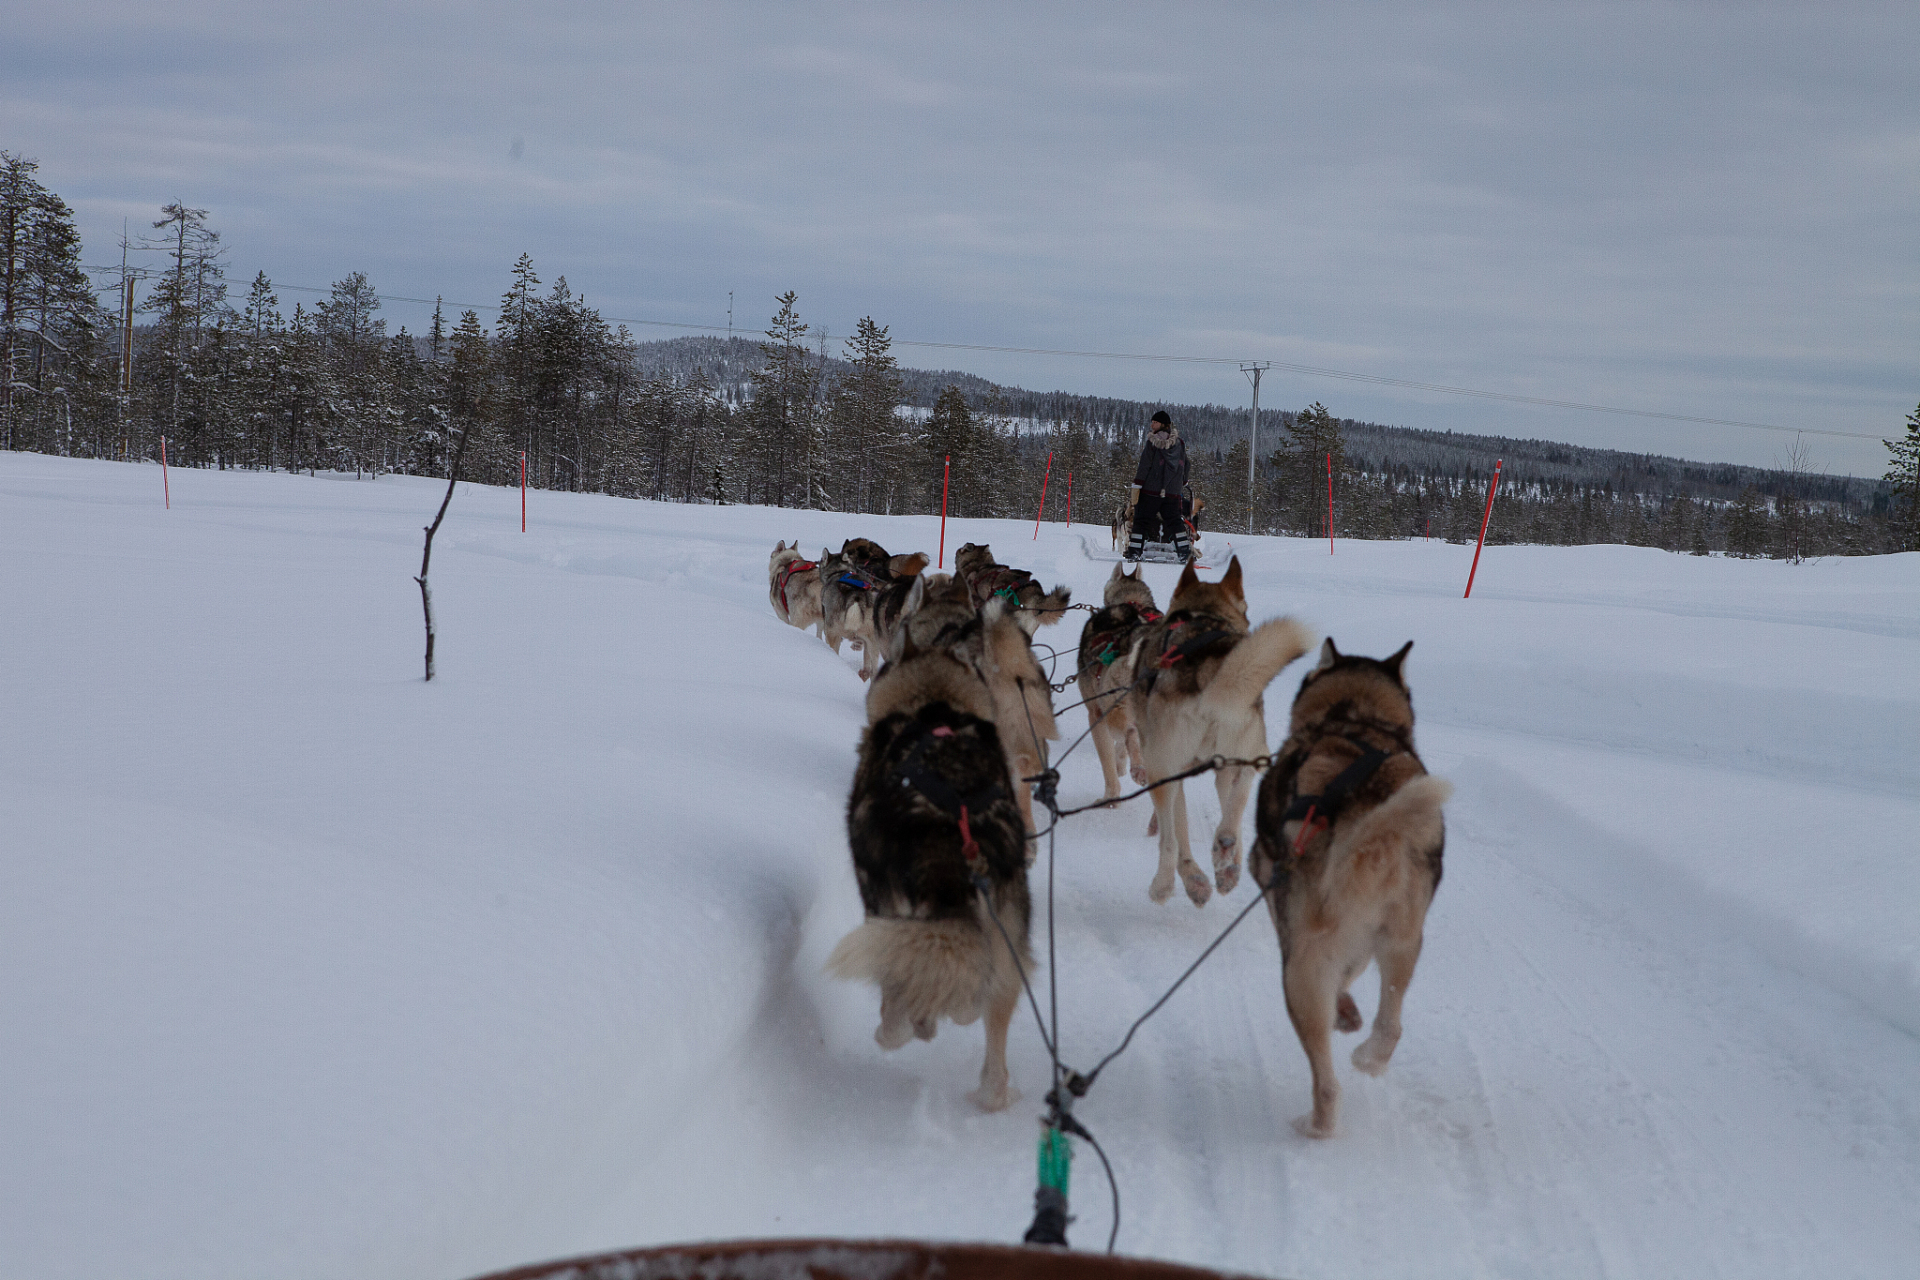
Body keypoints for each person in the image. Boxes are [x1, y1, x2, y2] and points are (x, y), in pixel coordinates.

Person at [1126, 410, 1191, 561]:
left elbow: (1145, 466)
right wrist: (1182, 481)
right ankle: (1184, 553)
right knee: (1175, 522)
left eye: (1154, 422)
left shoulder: (1152, 442)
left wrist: (1137, 484)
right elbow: (1186, 464)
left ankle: (1134, 552)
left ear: (1162, 425)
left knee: (1141, 521)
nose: (1151, 425)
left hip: (1151, 491)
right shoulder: (1179, 443)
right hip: (1172, 492)